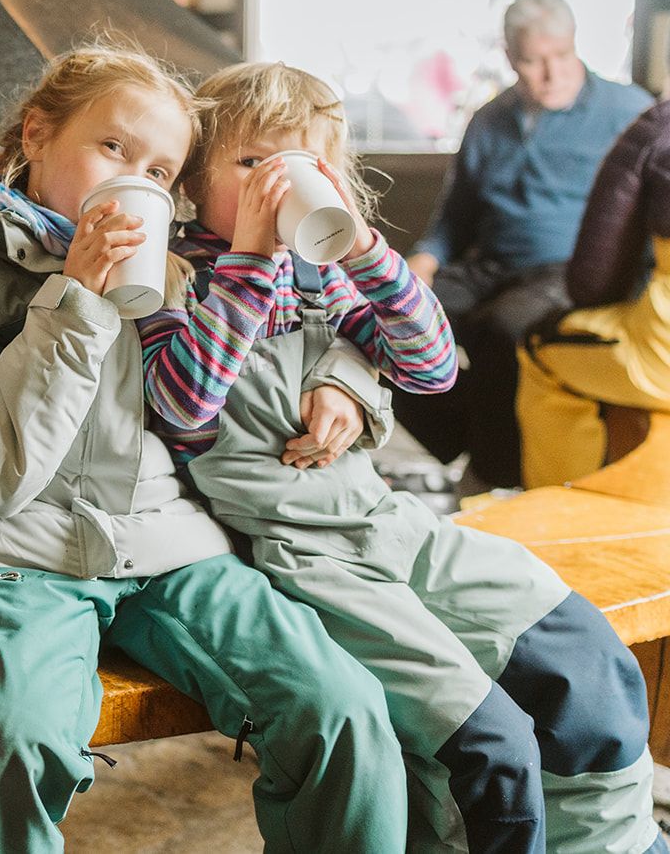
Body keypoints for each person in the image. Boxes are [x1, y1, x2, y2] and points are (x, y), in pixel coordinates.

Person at [144, 60, 661, 854]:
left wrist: (364, 253)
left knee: (581, 660)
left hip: (392, 522)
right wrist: (249, 260)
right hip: (300, 558)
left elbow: (433, 365)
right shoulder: (175, 277)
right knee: (484, 745)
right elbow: (181, 408)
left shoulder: (323, 273)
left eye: (303, 165)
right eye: (251, 163)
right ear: (190, 182)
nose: (278, 186)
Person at [0, 44, 407, 854]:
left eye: (160, 167)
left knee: (340, 705)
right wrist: (77, 298)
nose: (133, 178)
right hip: (22, 557)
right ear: (36, 134)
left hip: (168, 546)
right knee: (10, 742)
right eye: (113, 147)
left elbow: (318, 316)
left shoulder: (181, 267)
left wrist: (348, 373)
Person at [398, 0, 653, 487]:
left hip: (572, 270)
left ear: (575, 44)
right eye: (535, 61)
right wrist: (425, 258)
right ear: (511, 58)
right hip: (491, 265)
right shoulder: (489, 120)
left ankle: (498, 474)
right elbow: (456, 216)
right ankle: (458, 440)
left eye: (561, 56)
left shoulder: (628, 111)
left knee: (502, 329)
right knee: (385, 310)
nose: (552, 73)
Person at [519, 96, 670, 486]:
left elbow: (593, 280)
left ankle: (560, 511)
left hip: (661, 361)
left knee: (540, 348)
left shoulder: (656, 128)